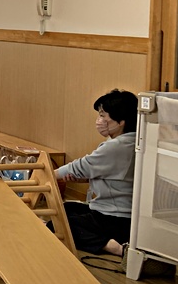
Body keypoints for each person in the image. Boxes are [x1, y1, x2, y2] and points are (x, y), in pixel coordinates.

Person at [55, 89, 137, 256]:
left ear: (121, 121)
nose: (99, 120)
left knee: (59, 224)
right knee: (63, 209)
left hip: (115, 218)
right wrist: (80, 178)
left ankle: (112, 246)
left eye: (103, 115)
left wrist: (48, 174)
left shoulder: (117, 146)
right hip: (121, 216)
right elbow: (112, 175)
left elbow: (79, 166)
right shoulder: (132, 141)